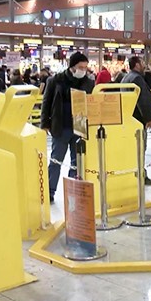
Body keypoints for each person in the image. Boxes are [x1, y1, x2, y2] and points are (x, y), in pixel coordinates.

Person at [41, 52, 95, 204]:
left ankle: (75, 190)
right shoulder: (55, 81)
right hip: (61, 127)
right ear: (72, 67)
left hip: (79, 127)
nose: (83, 70)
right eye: (80, 67)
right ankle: (50, 191)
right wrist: (45, 124)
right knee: (56, 161)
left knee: (76, 162)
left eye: (85, 67)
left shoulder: (89, 82)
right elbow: (46, 103)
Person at [122, 56, 151, 186]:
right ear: (137, 65)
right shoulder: (137, 78)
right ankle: (141, 176)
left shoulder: (126, 77)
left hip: (128, 120)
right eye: (142, 63)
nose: (144, 65)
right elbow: (144, 100)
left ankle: (135, 175)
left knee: (132, 150)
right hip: (138, 120)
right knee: (140, 149)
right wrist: (149, 118)